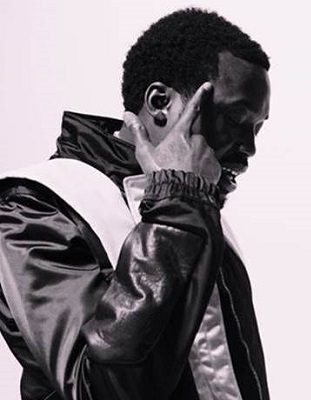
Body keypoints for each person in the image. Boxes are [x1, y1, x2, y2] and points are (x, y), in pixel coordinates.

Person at [0, 8, 271, 400]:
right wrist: (178, 203)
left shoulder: (200, 212)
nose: (249, 148)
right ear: (160, 102)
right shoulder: (35, 206)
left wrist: (183, 202)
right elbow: (100, 390)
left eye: (257, 127)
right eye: (234, 118)